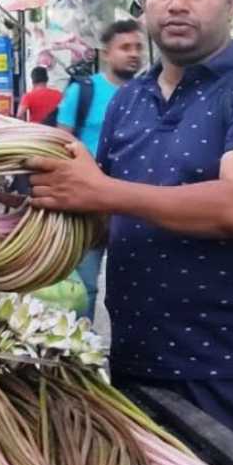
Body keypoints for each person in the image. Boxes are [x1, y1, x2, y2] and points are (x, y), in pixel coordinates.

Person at [24, 0, 233, 465]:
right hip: (136, 365)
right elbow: (109, 222)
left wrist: (100, 191)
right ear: (145, 2)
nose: (177, 3)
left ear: (232, 2)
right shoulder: (128, 101)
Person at [55, 19, 145, 320]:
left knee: (136, 286)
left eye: (138, 47)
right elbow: (60, 142)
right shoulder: (84, 91)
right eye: (125, 47)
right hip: (88, 205)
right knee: (86, 285)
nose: (133, 54)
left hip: (134, 203)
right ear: (106, 53)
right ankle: (81, 349)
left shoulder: (150, 94)